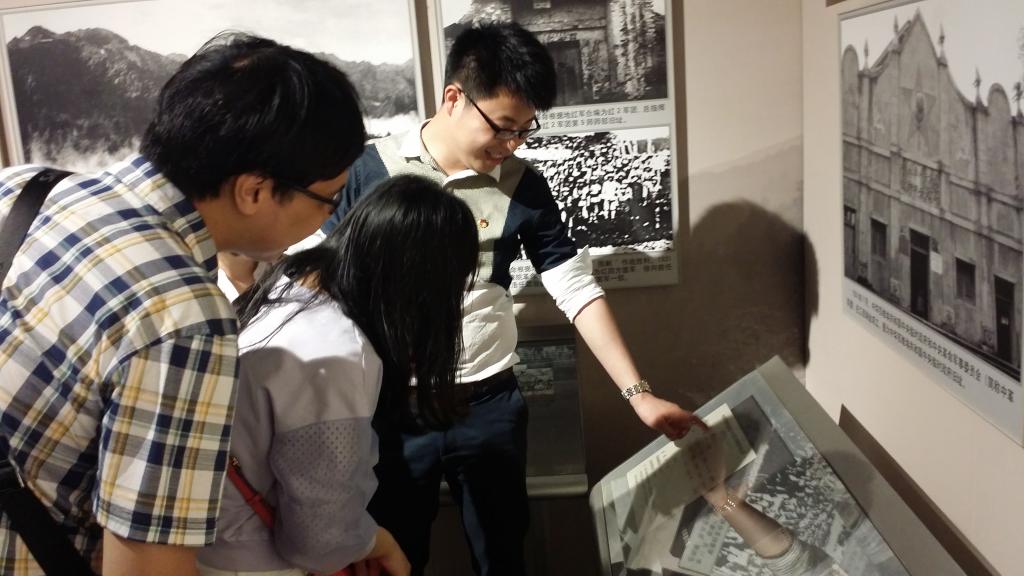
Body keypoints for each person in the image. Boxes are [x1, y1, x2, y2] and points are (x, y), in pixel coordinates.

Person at [321, 21, 706, 576]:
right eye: (502, 127)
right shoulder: (368, 171)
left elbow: (575, 287)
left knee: (503, 554)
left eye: (525, 130)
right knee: (393, 554)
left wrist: (639, 395)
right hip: (390, 406)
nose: (511, 145)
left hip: (488, 402)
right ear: (454, 98)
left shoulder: (522, 183)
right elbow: (314, 280)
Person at [0, 32, 365, 576]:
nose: (329, 215)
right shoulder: (184, 318)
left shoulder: (25, 189)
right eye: (328, 197)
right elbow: (146, 568)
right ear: (254, 191)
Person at [197, 175, 478, 576]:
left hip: (215, 546)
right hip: (258, 561)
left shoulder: (286, 291)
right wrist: (379, 542)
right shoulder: (336, 354)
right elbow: (319, 537)